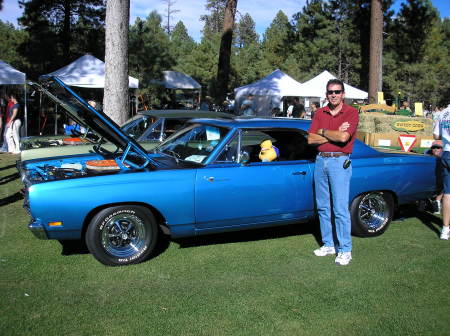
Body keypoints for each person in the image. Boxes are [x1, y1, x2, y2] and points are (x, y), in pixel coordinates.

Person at [307, 79, 359, 266]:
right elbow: (311, 139)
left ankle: (345, 249)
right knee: (322, 206)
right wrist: (331, 132)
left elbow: (344, 137)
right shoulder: (320, 112)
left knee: (339, 208)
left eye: (337, 91)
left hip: (339, 161)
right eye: (330, 92)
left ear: (343, 94)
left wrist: (323, 131)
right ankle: (328, 244)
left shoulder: (351, 112)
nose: (334, 95)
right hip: (321, 160)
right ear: (326, 94)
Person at [433, 104, 450, 240]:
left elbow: (436, 134)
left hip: (446, 153)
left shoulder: (443, 112)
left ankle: (445, 229)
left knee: (448, 193)